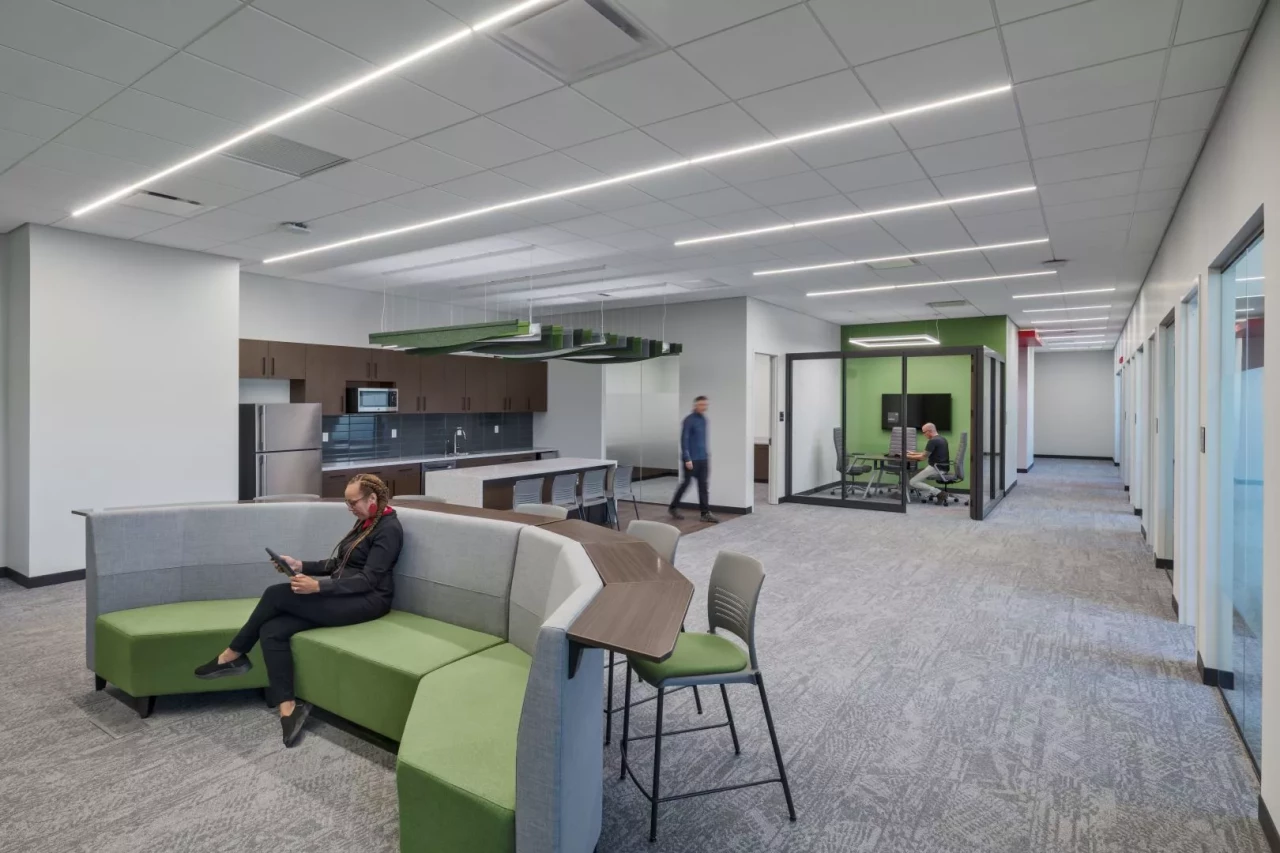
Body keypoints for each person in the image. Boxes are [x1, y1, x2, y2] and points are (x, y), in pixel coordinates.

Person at [193, 473, 404, 746]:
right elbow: (339, 564)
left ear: (372, 498)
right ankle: (289, 709)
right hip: (344, 594)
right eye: (347, 503)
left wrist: (318, 587)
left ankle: (232, 654)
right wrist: (299, 565)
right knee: (272, 629)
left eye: (353, 503)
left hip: (369, 601)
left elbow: (369, 580)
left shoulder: (389, 529)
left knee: (276, 594)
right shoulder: (366, 522)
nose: (349, 508)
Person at [669, 395, 719, 524]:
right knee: (686, 483)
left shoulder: (704, 420)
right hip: (691, 460)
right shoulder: (689, 420)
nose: (704, 407)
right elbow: (684, 440)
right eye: (701, 404)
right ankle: (673, 507)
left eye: (705, 405)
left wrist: (706, 455)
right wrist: (687, 458)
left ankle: (705, 513)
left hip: (703, 459)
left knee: (703, 486)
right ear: (695, 406)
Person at [906, 423, 949, 504]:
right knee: (914, 473)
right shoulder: (942, 438)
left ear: (929, 431)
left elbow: (923, 457)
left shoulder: (933, 441)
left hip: (936, 468)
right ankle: (937, 493)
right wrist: (912, 453)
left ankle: (939, 493)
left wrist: (906, 456)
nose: (924, 434)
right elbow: (925, 454)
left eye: (924, 432)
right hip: (942, 467)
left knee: (913, 482)